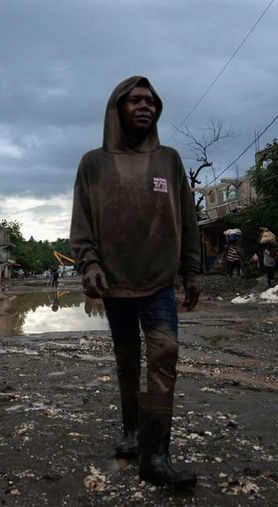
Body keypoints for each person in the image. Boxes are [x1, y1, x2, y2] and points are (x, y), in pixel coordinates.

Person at [70, 76, 200, 487]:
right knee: (127, 359)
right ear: (117, 109)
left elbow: (188, 218)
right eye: (135, 101)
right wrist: (89, 264)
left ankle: (156, 456)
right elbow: (83, 222)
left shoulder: (170, 161)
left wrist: (192, 270)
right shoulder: (94, 163)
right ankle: (130, 433)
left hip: (160, 282)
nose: (145, 106)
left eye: (151, 101)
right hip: (114, 283)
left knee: (165, 354)